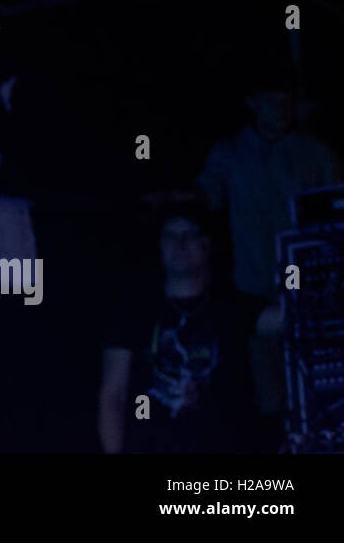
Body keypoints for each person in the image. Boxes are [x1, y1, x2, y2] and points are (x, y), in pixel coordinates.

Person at [193, 75, 338, 417]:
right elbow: (206, 196)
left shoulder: (316, 153)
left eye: (286, 101)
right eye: (271, 101)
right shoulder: (229, 152)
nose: (280, 110)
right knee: (270, 395)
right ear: (253, 102)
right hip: (254, 289)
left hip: (310, 289)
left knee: (318, 386)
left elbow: (336, 206)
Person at [98, 200, 281, 453]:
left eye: (188, 235)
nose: (179, 244)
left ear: (207, 246)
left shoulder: (229, 306)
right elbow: (113, 395)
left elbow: (290, 319)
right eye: (170, 237)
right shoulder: (134, 312)